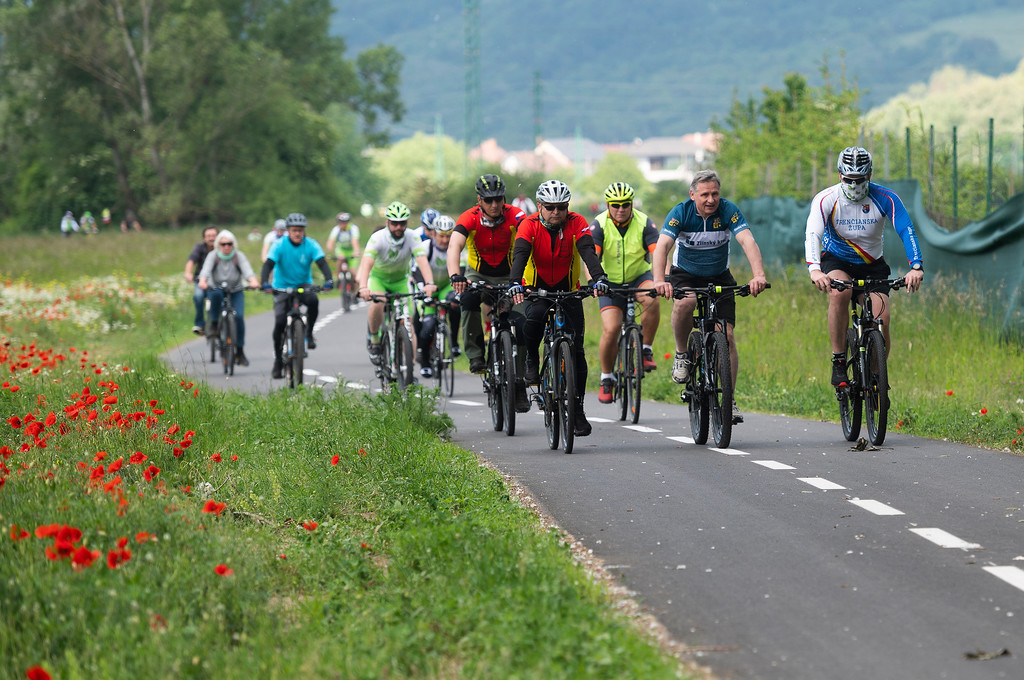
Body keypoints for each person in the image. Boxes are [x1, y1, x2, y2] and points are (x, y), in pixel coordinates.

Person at [652, 169, 768, 425]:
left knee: (726, 335)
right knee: (686, 301)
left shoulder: (728, 211)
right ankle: (682, 353)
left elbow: (747, 241)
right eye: (704, 194)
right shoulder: (680, 212)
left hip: (718, 275)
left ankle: (729, 400)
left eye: (715, 193)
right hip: (686, 274)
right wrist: (660, 280)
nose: (711, 199)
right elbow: (662, 246)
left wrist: (758, 274)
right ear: (692, 195)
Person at [805, 146, 924, 387]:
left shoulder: (886, 197)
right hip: (837, 260)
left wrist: (916, 266)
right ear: (840, 175)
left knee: (882, 317)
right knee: (840, 292)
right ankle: (839, 360)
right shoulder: (826, 198)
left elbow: (906, 229)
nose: (854, 184)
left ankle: (877, 375)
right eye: (849, 179)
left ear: (869, 175)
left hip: (872, 265)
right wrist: (814, 269)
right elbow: (813, 233)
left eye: (860, 179)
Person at [508, 179, 609, 438]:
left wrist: (598, 278)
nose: (556, 212)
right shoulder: (528, 225)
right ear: (540, 206)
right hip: (536, 288)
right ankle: (531, 356)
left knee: (577, 351)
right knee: (534, 318)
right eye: (550, 207)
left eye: (561, 207)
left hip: (569, 289)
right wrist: (515, 284)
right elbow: (520, 254)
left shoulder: (576, 222)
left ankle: (578, 410)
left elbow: (588, 252)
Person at [587, 182, 662, 404]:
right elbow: (592, 257)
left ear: (631, 204)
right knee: (611, 329)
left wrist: (662, 279)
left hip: (639, 276)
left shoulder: (644, 222)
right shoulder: (599, 225)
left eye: (625, 204)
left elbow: (658, 253)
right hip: (608, 282)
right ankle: (606, 378)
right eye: (615, 205)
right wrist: (594, 281)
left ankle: (646, 349)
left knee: (652, 297)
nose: (620, 209)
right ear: (608, 205)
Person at [447, 173, 526, 374]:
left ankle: (520, 376)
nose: (494, 205)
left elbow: (529, 235)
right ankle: (475, 356)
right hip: (477, 274)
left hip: (510, 275)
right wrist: (456, 275)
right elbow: (454, 246)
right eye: (488, 200)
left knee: (523, 318)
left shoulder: (514, 214)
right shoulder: (469, 217)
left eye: (498, 199)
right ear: (479, 200)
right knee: (468, 299)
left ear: (504, 199)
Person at [355, 202, 436, 367]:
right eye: (394, 223)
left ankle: (409, 369)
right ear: (387, 223)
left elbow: (421, 260)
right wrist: (363, 287)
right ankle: (374, 339)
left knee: (408, 323)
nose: (398, 227)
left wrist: (429, 283)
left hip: (400, 281)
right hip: (379, 279)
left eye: (402, 223)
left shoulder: (412, 237)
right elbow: (366, 263)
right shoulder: (378, 238)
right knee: (379, 301)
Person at [260, 213, 334, 379]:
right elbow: (268, 264)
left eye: (300, 230)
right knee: (279, 321)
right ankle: (278, 361)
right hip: (281, 287)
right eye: (294, 230)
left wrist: (329, 280)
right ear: (288, 231)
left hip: (303, 285)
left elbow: (322, 263)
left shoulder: (311, 245)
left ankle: (308, 333)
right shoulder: (279, 245)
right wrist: (265, 283)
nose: (297, 233)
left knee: (313, 301)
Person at [198, 230, 260, 366]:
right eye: (223, 244)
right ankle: (214, 324)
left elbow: (247, 270)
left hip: (235, 289)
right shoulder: (213, 256)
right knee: (215, 295)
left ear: (233, 244)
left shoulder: (239, 256)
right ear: (218, 245)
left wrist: (252, 281)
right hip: (217, 287)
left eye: (229, 244)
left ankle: (240, 351)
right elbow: (205, 270)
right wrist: (203, 281)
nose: (226, 247)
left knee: (238, 317)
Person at [411, 215, 462, 377]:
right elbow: (416, 271)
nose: (445, 240)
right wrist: (424, 289)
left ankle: (454, 343)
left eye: (449, 236)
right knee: (428, 324)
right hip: (429, 286)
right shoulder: (425, 247)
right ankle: (425, 361)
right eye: (441, 235)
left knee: (455, 303)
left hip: (447, 284)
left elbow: (463, 271)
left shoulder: (457, 247)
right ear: (434, 234)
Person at [185, 226, 219, 335]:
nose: (211, 238)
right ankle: (200, 324)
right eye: (208, 236)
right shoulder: (199, 247)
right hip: (201, 281)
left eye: (214, 236)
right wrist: (188, 273)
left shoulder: (224, 247)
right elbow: (191, 261)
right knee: (198, 296)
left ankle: (223, 322)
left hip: (219, 281)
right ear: (204, 238)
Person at [324, 212, 362, 292]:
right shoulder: (336, 229)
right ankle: (338, 280)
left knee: (353, 273)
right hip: (341, 250)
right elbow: (330, 241)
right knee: (339, 261)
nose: (343, 224)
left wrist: (356, 251)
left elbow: (355, 241)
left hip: (351, 250)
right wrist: (329, 251)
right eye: (341, 222)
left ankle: (354, 292)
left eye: (345, 222)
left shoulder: (353, 229)